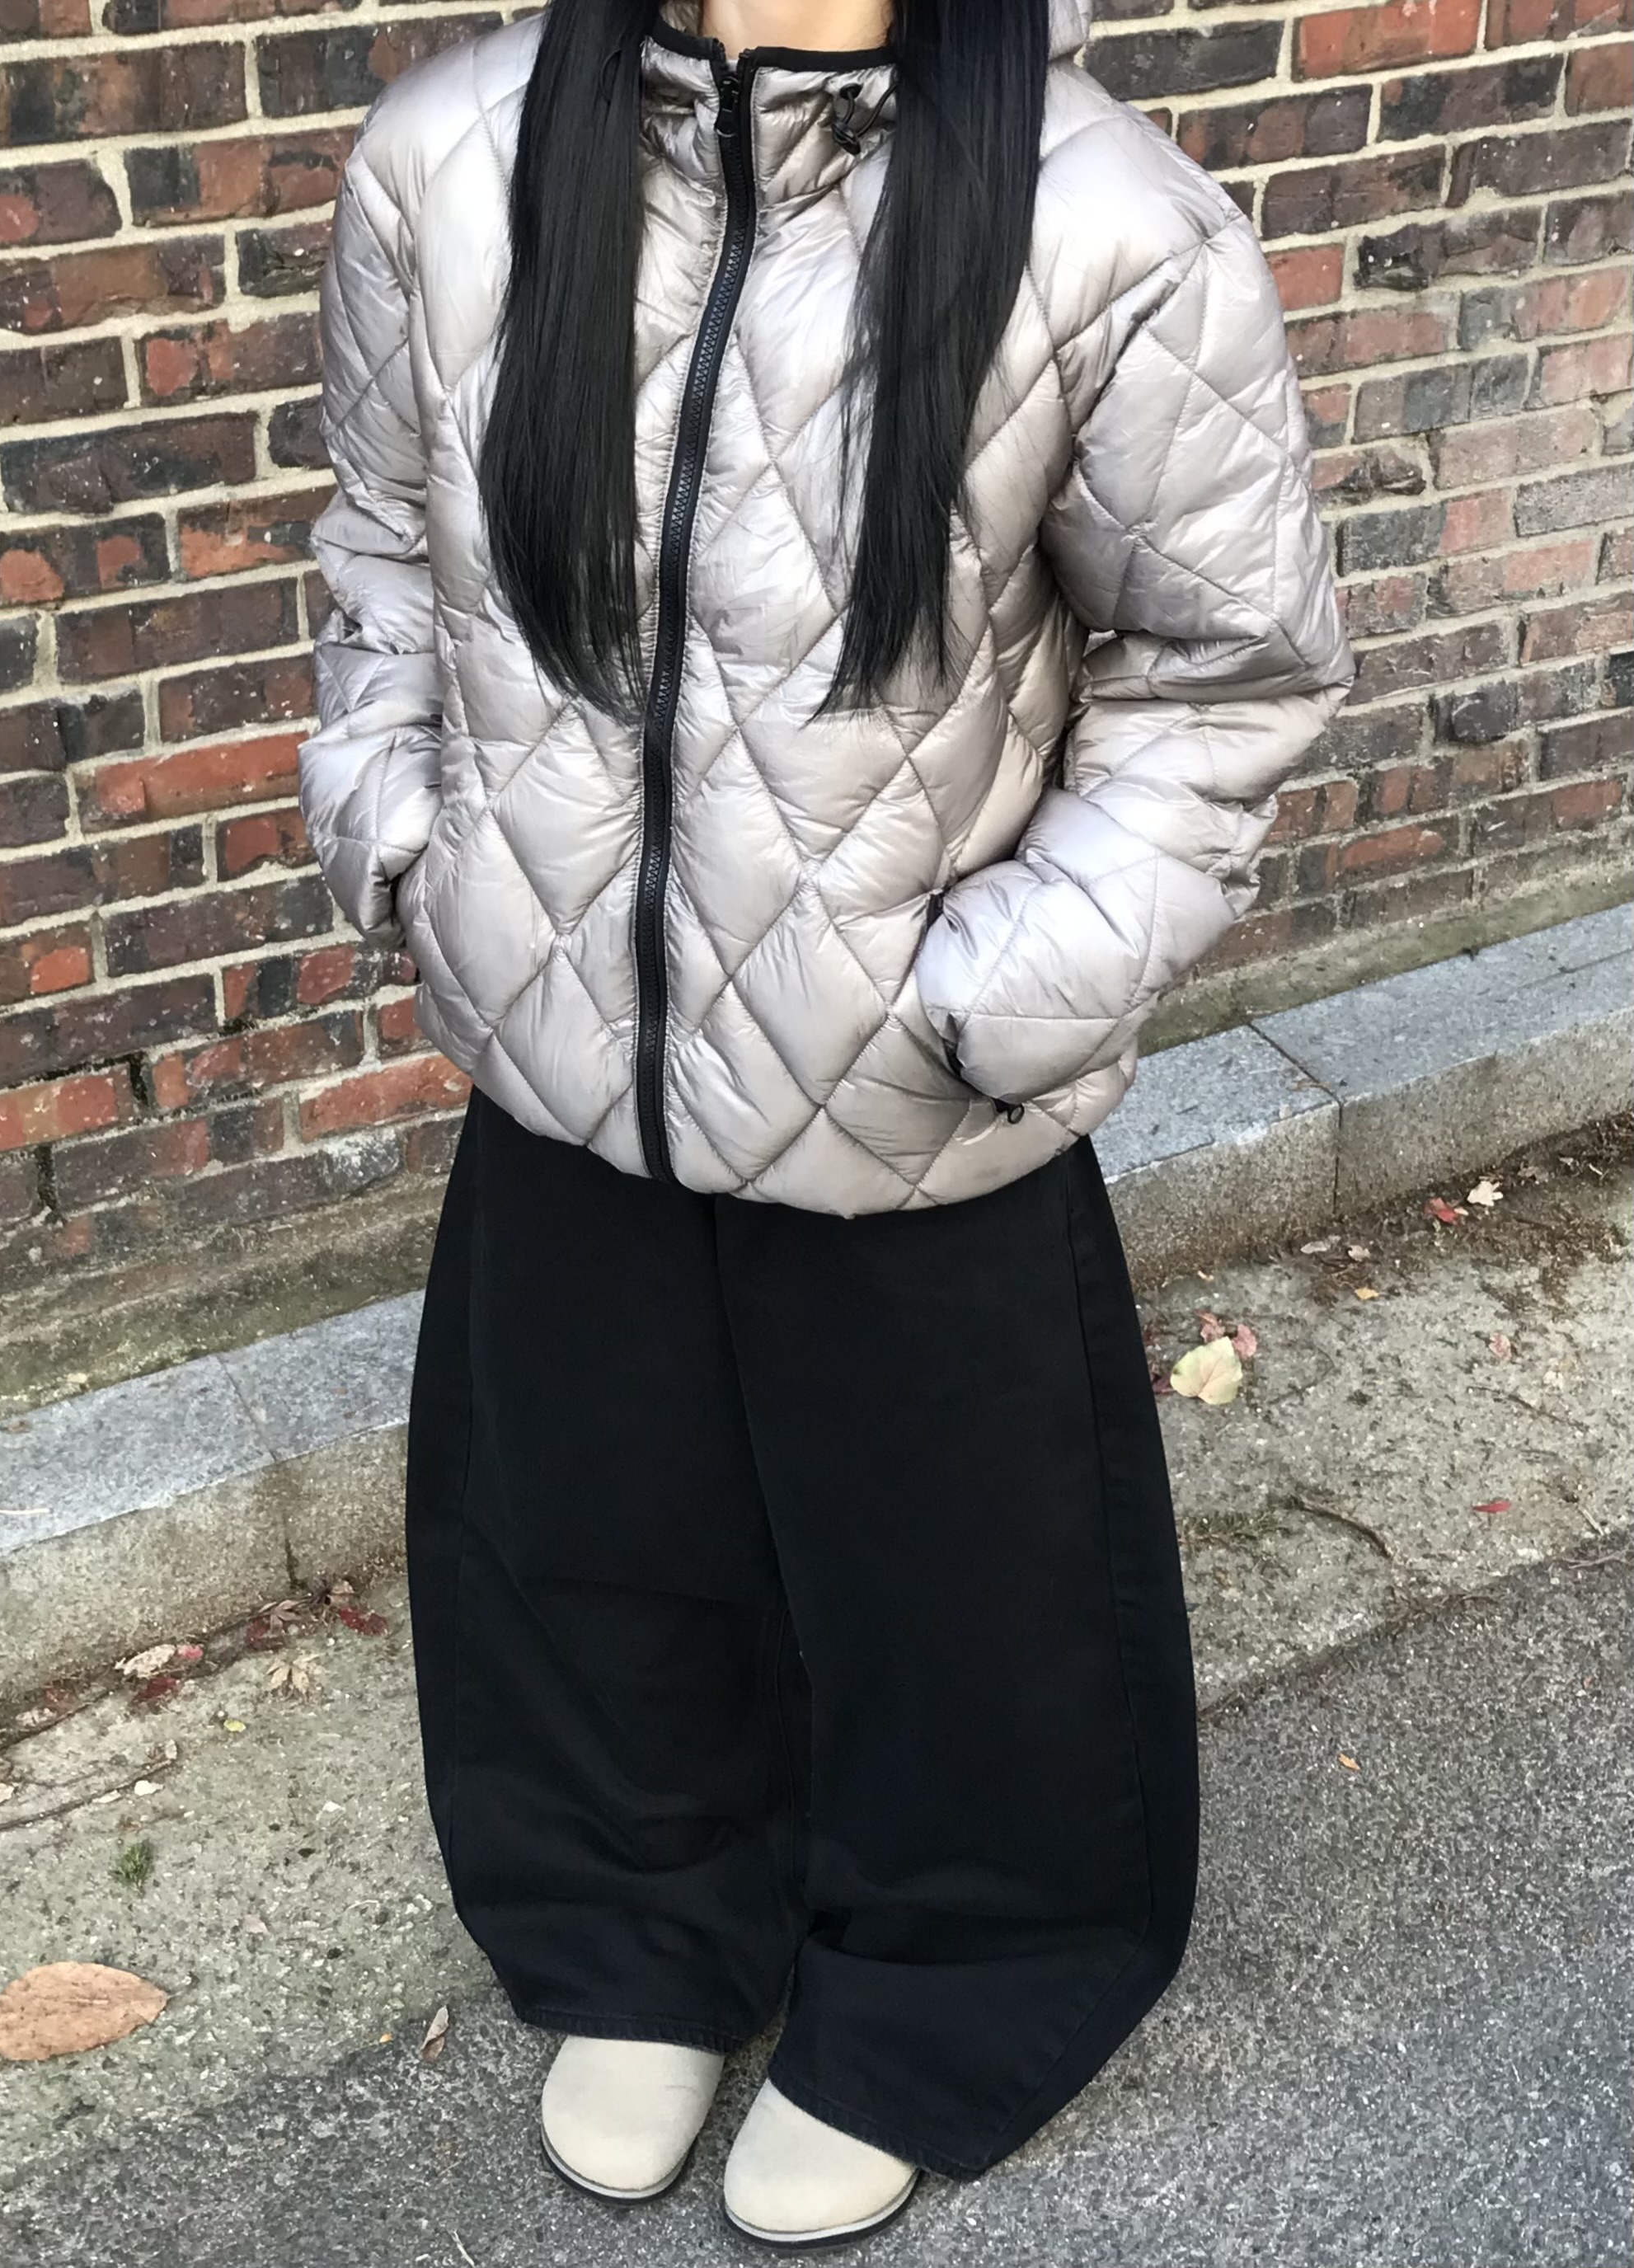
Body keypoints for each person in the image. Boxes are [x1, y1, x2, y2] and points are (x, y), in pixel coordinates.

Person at [298, 0, 1353, 2245]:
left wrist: (998, 989)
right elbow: (384, 543)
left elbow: (1222, 676)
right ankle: (639, 1926)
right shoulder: (449, 160)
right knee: (586, 1527)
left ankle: (949, 1975)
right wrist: (403, 834)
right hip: (562, 1055)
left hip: (911, 1087)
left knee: (962, 1579)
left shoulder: (1105, 224)